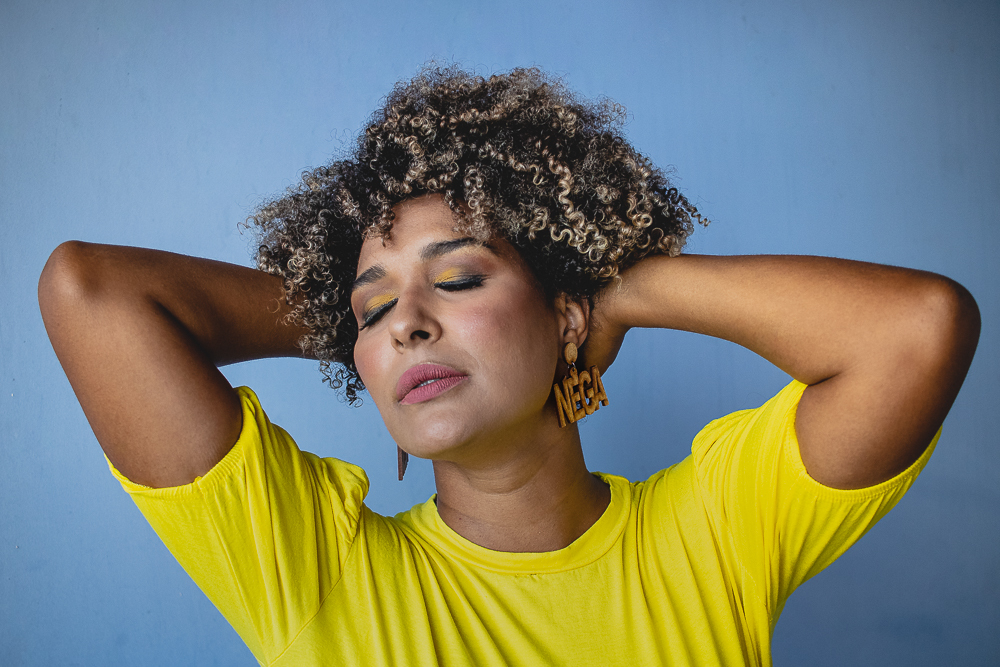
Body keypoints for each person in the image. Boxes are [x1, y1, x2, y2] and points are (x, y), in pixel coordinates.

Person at [38, 66, 979, 666]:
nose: (404, 323)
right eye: (369, 307)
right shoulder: (312, 571)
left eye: (457, 278)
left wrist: (620, 289)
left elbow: (918, 328)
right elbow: (93, 293)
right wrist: (356, 321)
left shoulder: (716, 533)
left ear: (564, 312)